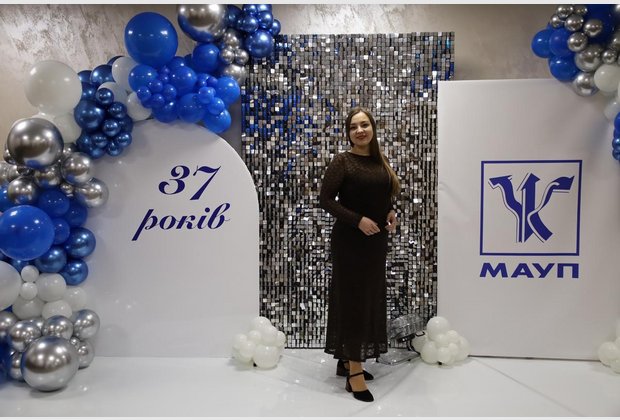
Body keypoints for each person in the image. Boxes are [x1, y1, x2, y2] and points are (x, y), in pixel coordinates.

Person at [319, 107, 401, 402]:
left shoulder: (380, 161)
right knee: (354, 302)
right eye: (354, 127)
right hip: (351, 242)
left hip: (376, 242)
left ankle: (346, 360)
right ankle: (354, 372)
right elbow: (325, 199)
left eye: (364, 125)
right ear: (348, 133)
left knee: (367, 299)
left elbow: (380, 195)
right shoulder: (343, 161)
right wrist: (358, 221)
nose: (360, 130)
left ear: (373, 128)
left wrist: (391, 212)